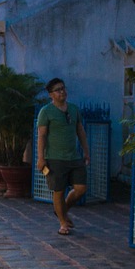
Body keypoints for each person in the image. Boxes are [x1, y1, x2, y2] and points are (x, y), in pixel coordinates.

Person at [36, 77, 90, 236]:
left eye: (63, 88)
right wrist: (41, 158)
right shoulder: (46, 112)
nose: (62, 92)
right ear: (51, 94)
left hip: (74, 157)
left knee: (81, 188)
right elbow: (42, 136)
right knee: (58, 191)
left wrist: (86, 151)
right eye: (58, 90)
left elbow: (80, 131)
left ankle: (62, 210)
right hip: (55, 158)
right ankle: (62, 222)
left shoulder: (73, 109)